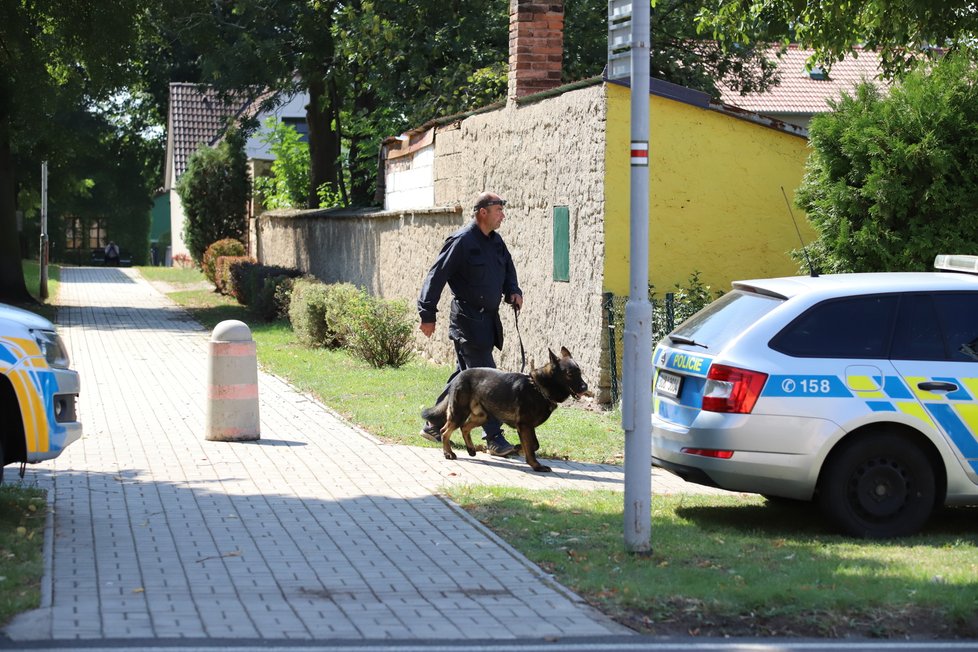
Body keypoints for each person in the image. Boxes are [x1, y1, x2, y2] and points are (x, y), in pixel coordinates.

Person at [417, 191, 523, 457]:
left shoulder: (496, 242)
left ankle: (434, 423)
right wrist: (427, 313)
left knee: (462, 378)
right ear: (482, 212)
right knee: (485, 379)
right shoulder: (462, 241)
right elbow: (436, 275)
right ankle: (494, 437)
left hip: (488, 321)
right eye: (498, 210)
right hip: (466, 321)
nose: (503, 215)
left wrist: (513, 289)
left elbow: (508, 269)